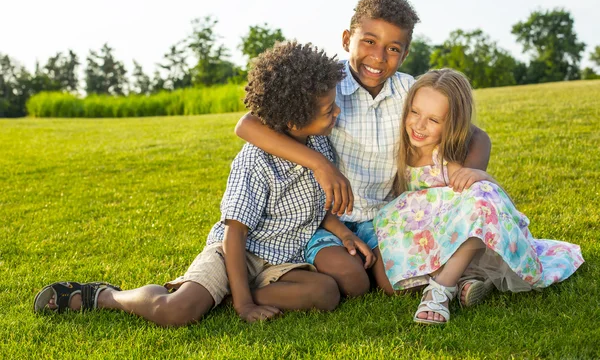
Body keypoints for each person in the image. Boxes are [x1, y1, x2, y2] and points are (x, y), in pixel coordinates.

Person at [33, 41, 373, 326]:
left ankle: (219, 297)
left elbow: (316, 209)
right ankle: (104, 296)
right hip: (233, 255)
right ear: (293, 119)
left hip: (283, 259)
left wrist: (342, 232)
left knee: (326, 293)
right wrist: (244, 305)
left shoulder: (320, 146)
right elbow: (234, 236)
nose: (336, 114)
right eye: (328, 110)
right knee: (178, 311)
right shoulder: (255, 160)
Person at [235, 0, 492, 298]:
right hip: (325, 220)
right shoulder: (326, 86)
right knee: (350, 279)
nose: (379, 57)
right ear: (347, 40)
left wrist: (464, 180)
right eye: (369, 41)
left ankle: (460, 275)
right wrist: (320, 164)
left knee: (392, 284)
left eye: (393, 48)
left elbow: (477, 136)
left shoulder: (409, 92)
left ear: (405, 54)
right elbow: (246, 125)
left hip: (386, 217)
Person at [374, 68, 584, 325]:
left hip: (462, 235)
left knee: (480, 191)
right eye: (414, 112)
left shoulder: (447, 156)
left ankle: (440, 290)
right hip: (426, 237)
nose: (418, 125)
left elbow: (472, 202)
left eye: (433, 120)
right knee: (394, 278)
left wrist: (486, 178)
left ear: (452, 123)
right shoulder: (399, 147)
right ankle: (468, 281)